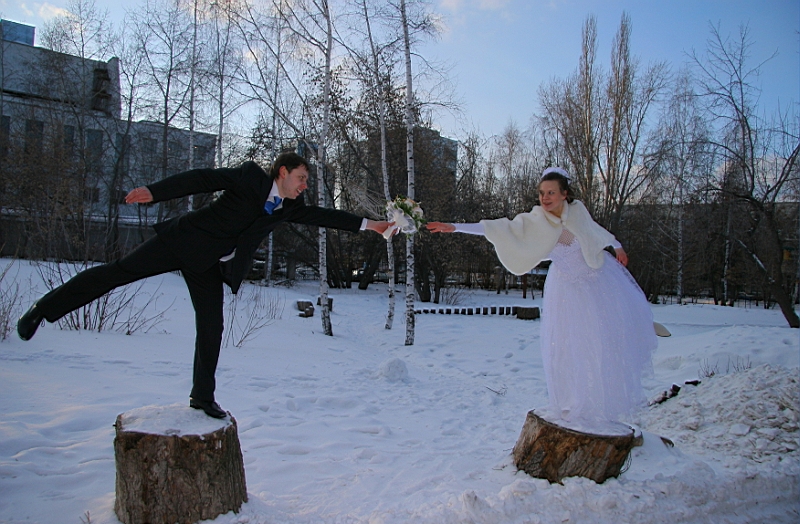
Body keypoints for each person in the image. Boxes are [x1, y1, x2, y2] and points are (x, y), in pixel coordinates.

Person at [17, 152, 393, 418]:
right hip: (181, 242)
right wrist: (155, 191)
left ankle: (202, 397)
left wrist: (371, 225)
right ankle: (42, 310)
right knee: (116, 273)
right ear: (282, 172)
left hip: (207, 265)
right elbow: (202, 178)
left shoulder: (287, 207)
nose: (304, 186)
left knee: (212, 327)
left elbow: (324, 216)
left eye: (306, 181)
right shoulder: (249, 178)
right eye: (301, 178)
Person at [427, 167, 657, 426]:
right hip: (567, 289)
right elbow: (500, 228)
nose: (545, 198)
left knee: (604, 340)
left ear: (564, 194)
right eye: (541, 193)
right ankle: (573, 403)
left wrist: (617, 246)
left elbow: (595, 231)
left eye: (551, 193)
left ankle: (602, 403)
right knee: (569, 347)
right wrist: (455, 227)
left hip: (598, 280)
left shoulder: (577, 211)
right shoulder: (535, 222)